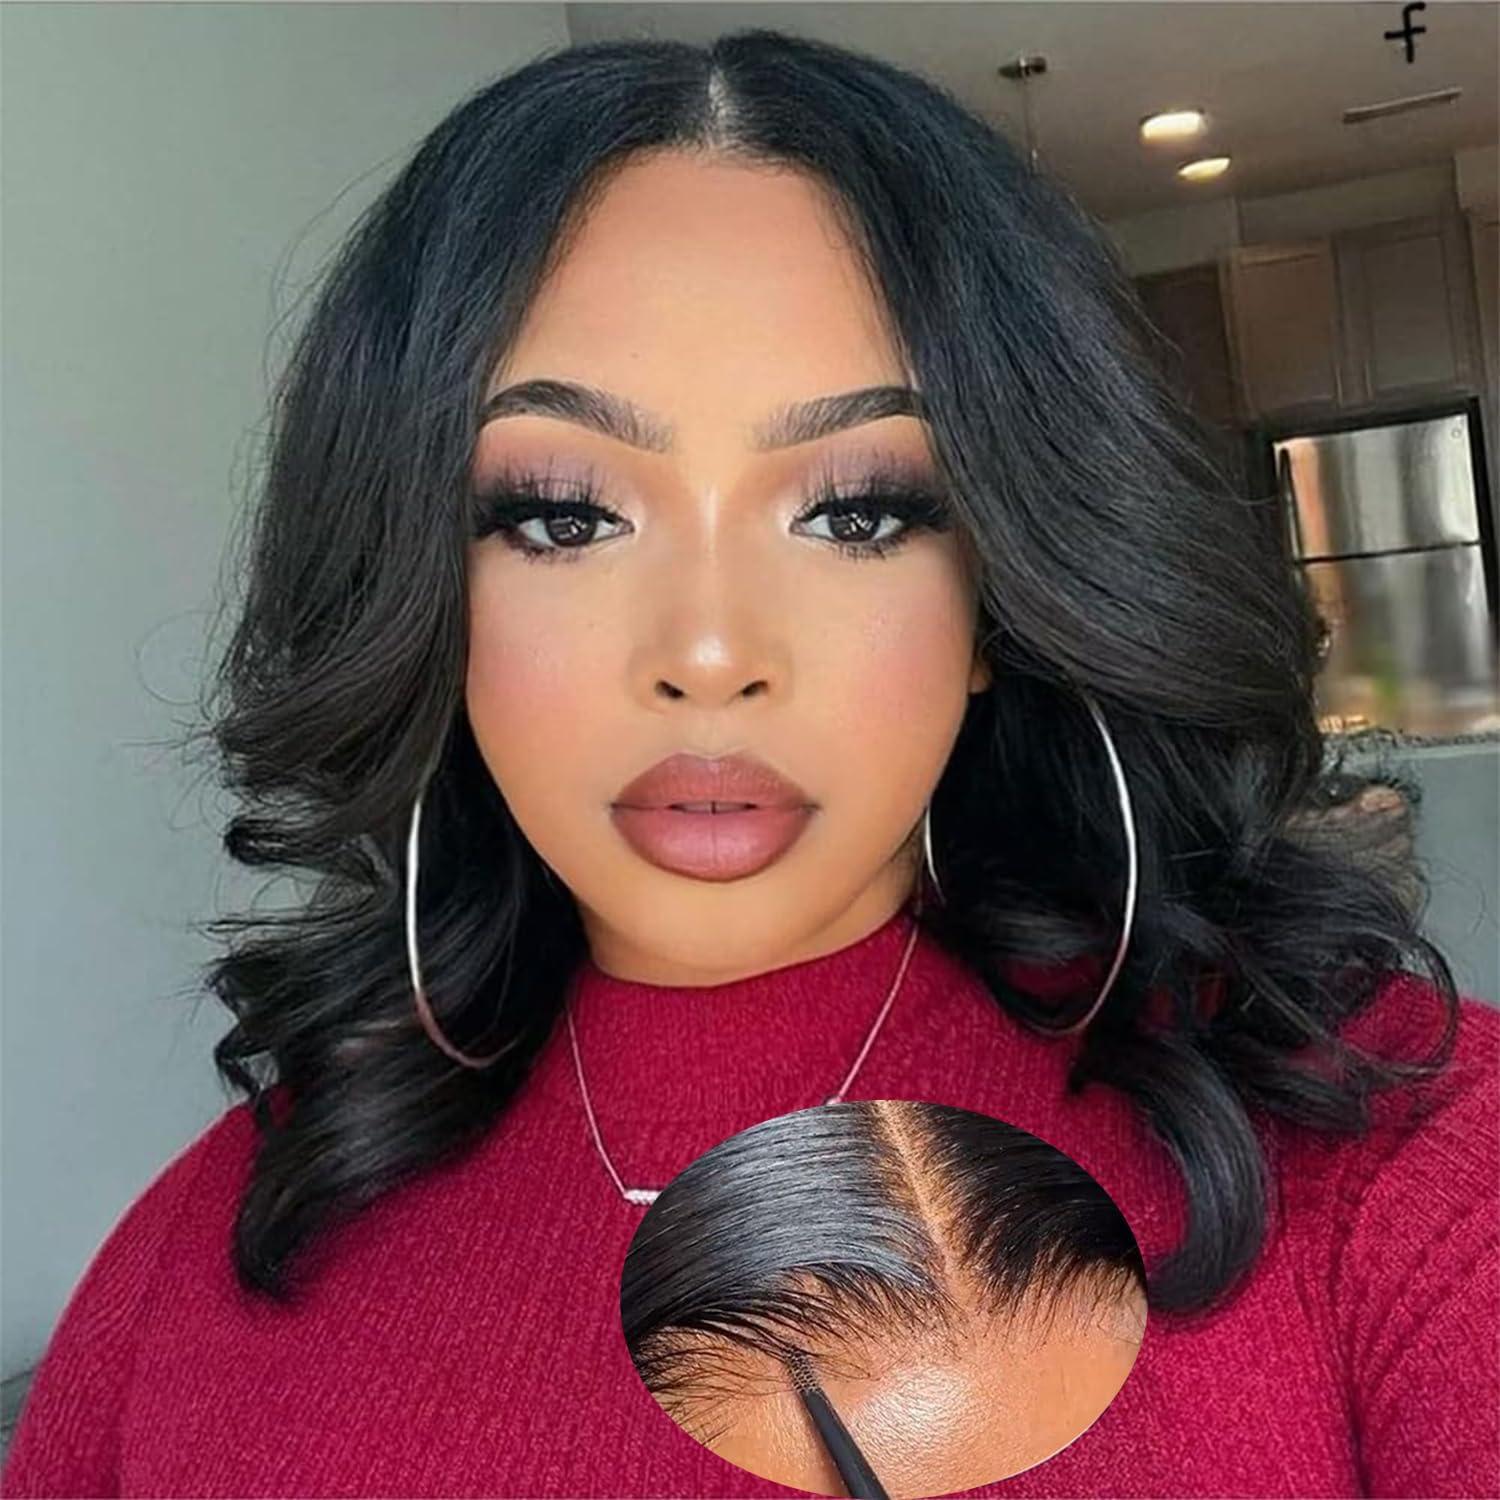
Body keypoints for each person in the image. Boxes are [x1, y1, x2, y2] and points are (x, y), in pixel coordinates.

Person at [4, 27, 1495, 1500]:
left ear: (999, 594)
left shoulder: (1400, 1163)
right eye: (563, 515)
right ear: (427, 587)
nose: (710, 654)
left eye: (857, 512)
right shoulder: (226, 1236)